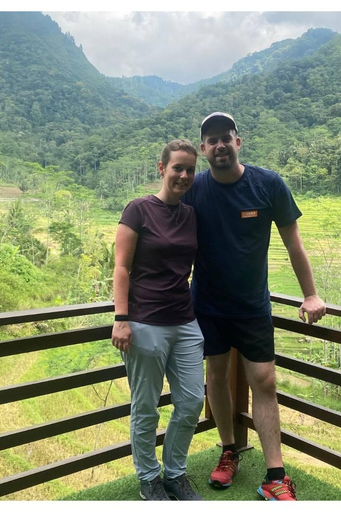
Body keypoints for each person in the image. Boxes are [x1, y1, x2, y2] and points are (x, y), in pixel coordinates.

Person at [181, 112, 327, 501]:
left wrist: (310, 294)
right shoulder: (194, 189)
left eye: (225, 138)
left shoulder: (268, 184)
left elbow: (293, 242)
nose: (219, 145)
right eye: (211, 141)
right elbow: (163, 233)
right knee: (216, 373)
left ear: (238, 142)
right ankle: (229, 451)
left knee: (264, 381)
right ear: (203, 149)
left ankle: (275, 474)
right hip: (207, 305)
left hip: (251, 306)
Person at [112, 139, 205, 501]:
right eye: (177, 167)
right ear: (161, 168)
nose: (183, 175)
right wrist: (121, 318)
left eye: (189, 170)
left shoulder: (190, 214)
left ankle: (175, 473)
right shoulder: (138, 209)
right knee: (146, 407)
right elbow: (121, 267)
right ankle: (149, 478)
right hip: (145, 321)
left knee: (192, 401)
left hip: (184, 321)